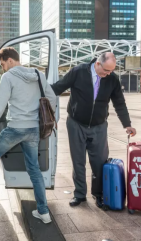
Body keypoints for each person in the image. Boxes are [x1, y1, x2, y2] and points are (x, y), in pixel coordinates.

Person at [0, 47, 56, 224]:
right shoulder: (38, 74)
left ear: (10, 60)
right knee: (34, 169)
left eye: (3, 64)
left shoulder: (8, 77)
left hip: (15, 129)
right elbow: (51, 98)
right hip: (34, 130)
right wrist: (42, 117)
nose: (3, 68)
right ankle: (43, 212)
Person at [51, 52, 136, 208]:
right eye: (106, 70)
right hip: (76, 123)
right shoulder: (78, 72)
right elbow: (57, 88)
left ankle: (99, 195)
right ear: (97, 64)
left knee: (99, 162)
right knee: (78, 161)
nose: (108, 74)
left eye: (111, 71)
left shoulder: (112, 79)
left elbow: (119, 103)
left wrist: (127, 124)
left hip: (99, 126)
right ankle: (79, 194)